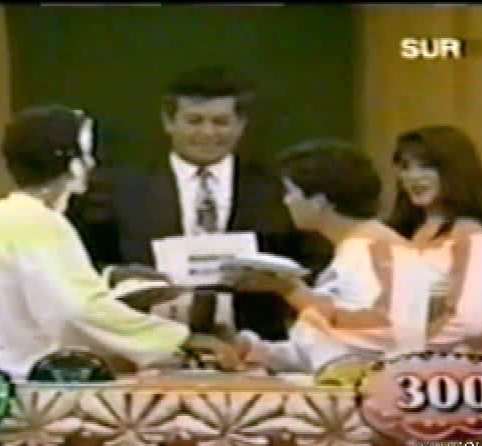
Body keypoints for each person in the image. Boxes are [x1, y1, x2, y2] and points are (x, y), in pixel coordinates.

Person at [0, 105, 242, 381]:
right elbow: (77, 309)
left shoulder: (0, 218)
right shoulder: (36, 222)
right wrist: (180, 338)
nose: (92, 164)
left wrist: (111, 280)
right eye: (86, 154)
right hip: (32, 381)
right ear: (70, 162)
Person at [70, 66, 332, 341]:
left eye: (221, 122)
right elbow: (87, 267)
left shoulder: (276, 190)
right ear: (168, 122)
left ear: (241, 124)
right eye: (195, 121)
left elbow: (313, 264)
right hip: (148, 341)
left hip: (259, 345)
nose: (208, 133)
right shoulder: (119, 189)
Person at [227, 140, 433, 372]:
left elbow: (382, 330)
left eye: (291, 192)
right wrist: (258, 351)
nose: (286, 201)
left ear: (319, 201)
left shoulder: (376, 250)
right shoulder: (353, 249)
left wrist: (295, 292)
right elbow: (328, 349)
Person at [387, 125, 482, 350]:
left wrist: (410, 352)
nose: (413, 176)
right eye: (405, 167)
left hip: (438, 363)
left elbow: (469, 322)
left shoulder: (474, 238)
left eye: (426, 166)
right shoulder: (399, 233)